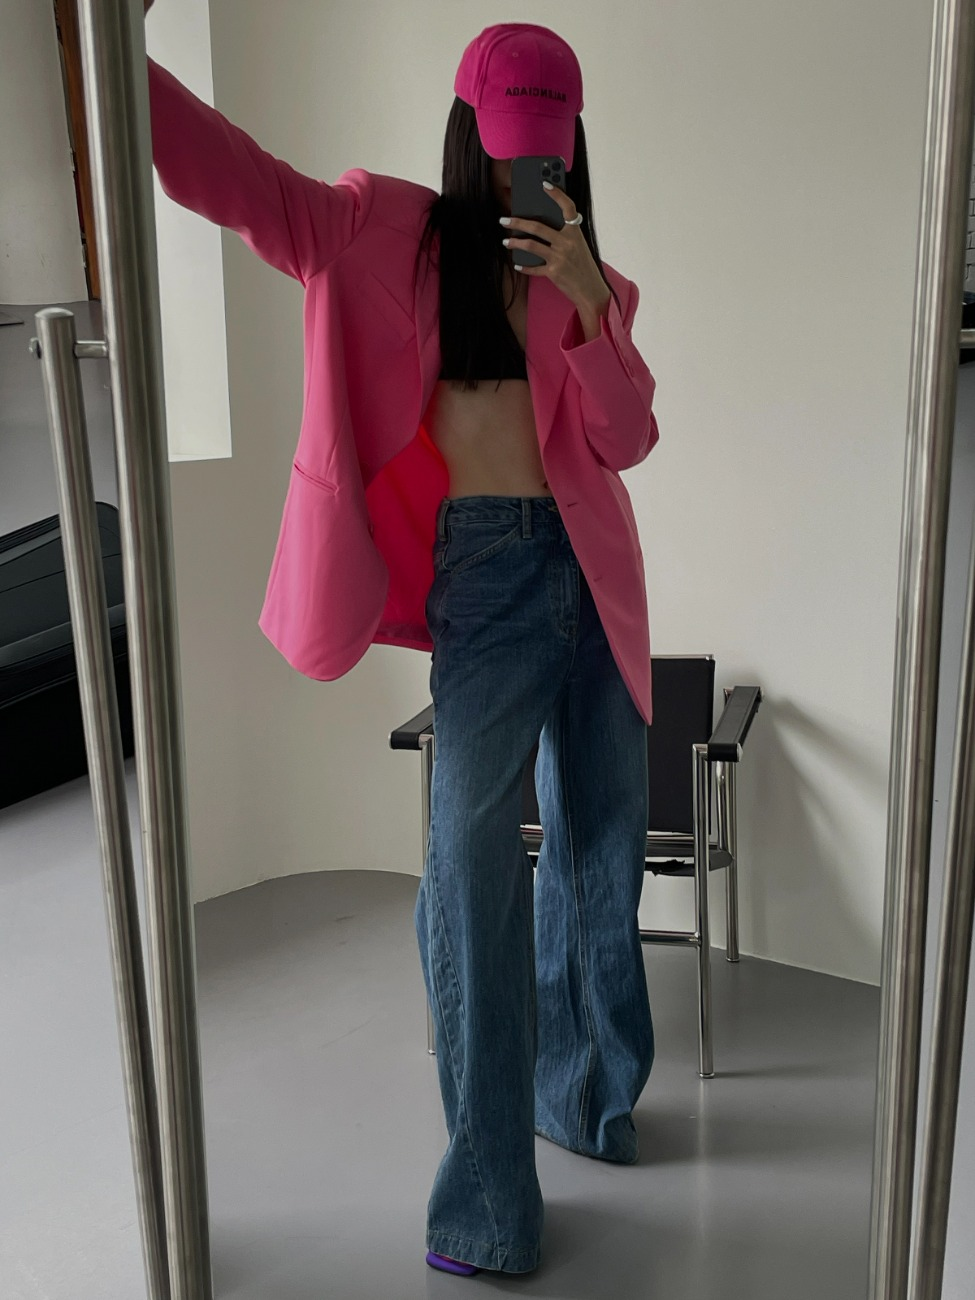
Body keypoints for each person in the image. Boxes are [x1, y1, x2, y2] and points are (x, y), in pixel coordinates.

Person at [144, 5, 659, 1278]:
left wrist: (591, 302)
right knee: (471, 872)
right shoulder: (381, 231)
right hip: (488, 581)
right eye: (508, 148)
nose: (526, 171)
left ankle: (586, 1094)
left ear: (572, 148)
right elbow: (240, 181)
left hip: (596, 576)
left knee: (599, 846)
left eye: (548, 151)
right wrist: (111, 61)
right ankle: (488, 1202)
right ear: (468, 136)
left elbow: (628, 441)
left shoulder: (593, 282)